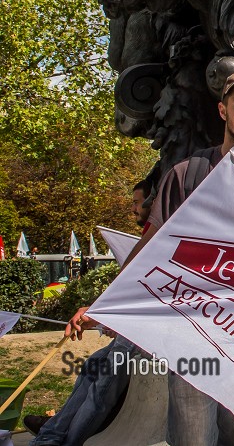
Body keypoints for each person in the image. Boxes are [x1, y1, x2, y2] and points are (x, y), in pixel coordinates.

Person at [66, 69, 234, 446]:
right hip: (190, 330)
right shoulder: (187, 174)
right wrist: (106, 304)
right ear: (222, 110)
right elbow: (149, 249)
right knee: (192, 437)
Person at [27, 179, 159, 443]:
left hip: (151, 332)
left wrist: (104, 313)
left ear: (151, 203)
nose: (133, 209)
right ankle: (50, 435)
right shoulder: (149, 236)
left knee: (104, 383)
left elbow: (148, 292)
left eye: (136, 202)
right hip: (136, 328)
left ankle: (60, 439)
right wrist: (102, 314)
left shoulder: (159, 233)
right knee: (93, 365)